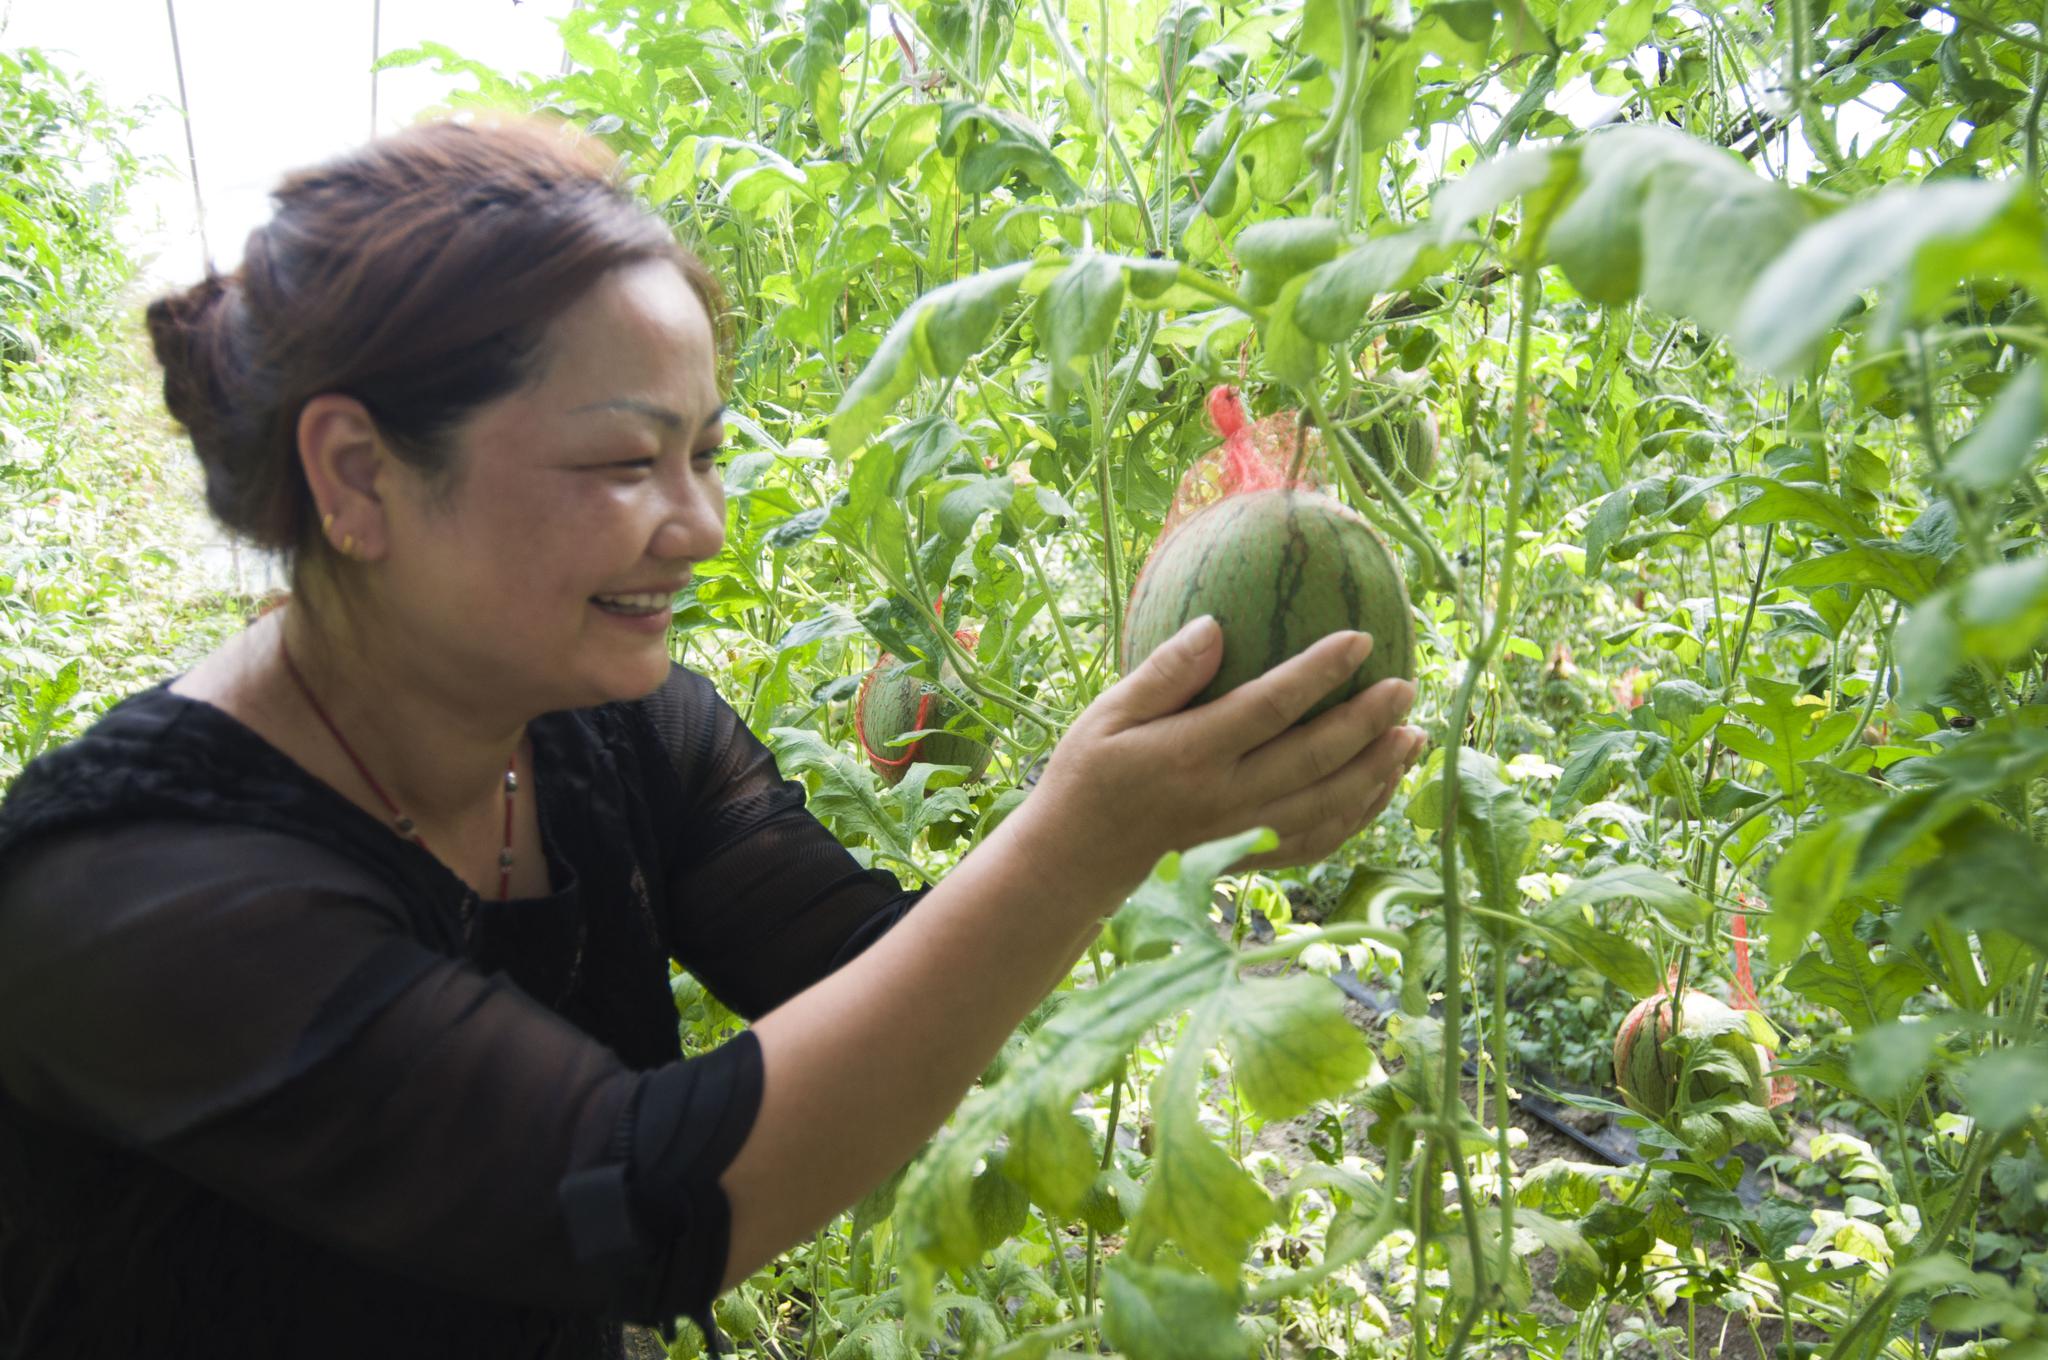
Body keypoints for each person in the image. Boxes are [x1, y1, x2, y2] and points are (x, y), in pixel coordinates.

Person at [0, 116, 1425, 1360]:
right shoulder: (134, 893)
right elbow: (632, 1203)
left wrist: (1161, 804)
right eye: (629, 462)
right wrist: (1081, 838)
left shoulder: (605, 731)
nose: (701, 526)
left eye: (705, 452)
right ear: (359, 475)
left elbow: (879, 972)